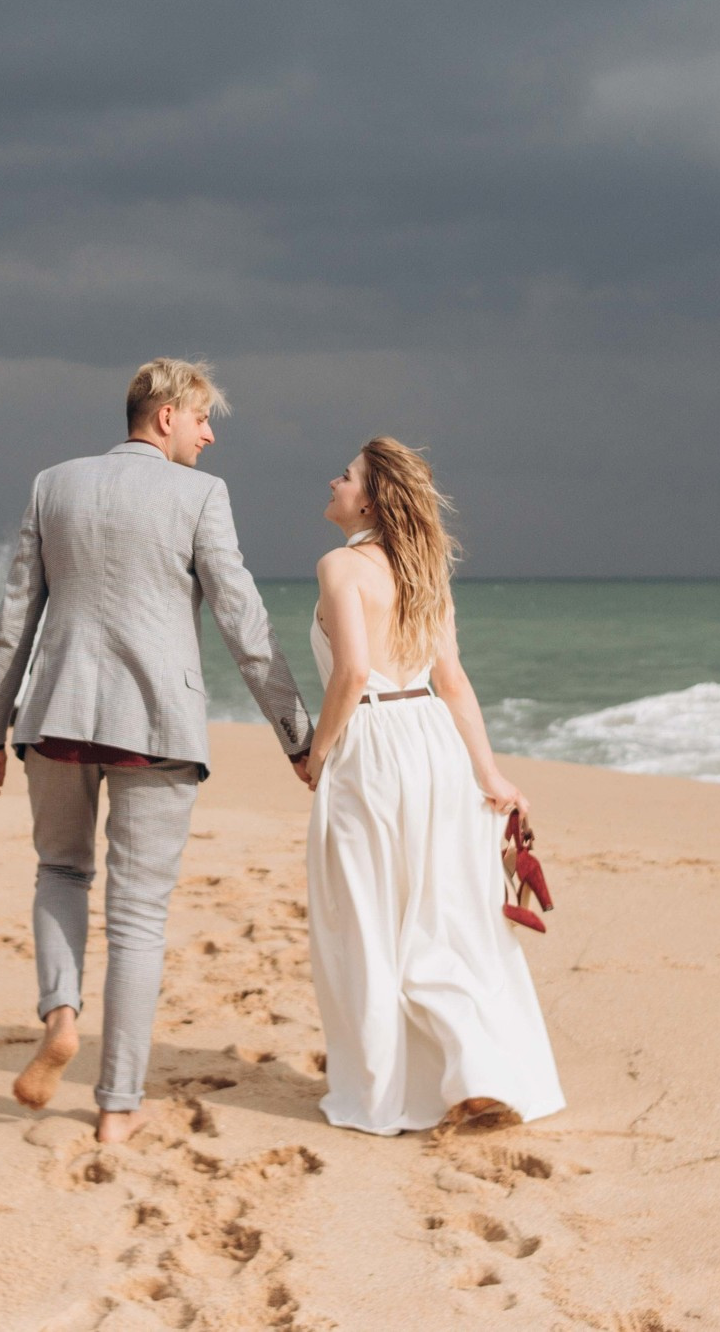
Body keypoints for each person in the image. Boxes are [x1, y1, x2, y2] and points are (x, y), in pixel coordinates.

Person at [0, 358, 315, 1145]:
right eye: (202, 419)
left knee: (59, 869)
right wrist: (297, 732)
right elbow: (244, 623)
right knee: (137, 917)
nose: (210, 432)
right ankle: (116, 1107)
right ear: (165, 416)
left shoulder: (52, 484)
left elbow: (14, 615)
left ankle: (61, 1014)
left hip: (54, 717)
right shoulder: (201, 496)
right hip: (157, 727)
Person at [299, 437, 564, 1135]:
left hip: (374, 748)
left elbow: (352, 674)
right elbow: (452, 682)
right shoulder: (425, 576)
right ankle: (480, 1073)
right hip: (436, 748)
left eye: (347, 474)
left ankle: (386, 1093)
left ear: (372, 498)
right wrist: (489, 773)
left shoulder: (339, 566)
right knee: (440, 922)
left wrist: (316, 752)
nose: (333, 479)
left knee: (368, 920)